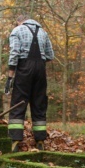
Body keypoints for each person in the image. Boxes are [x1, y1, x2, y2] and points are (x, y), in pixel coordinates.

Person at [5, 14, 54, 151]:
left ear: (19, 21)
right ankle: (40, 140)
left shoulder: (17, 30)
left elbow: (14, 53)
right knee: (39, 103)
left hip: (24, 68)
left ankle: (15, 140)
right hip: (40, 69)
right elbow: (50, 55)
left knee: (18, 102)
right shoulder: (43, 32)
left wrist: (10, 75)